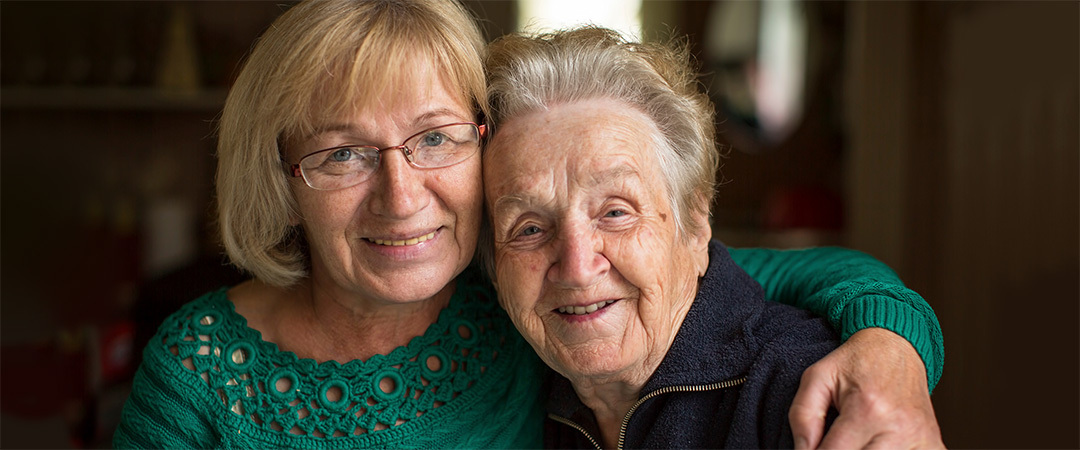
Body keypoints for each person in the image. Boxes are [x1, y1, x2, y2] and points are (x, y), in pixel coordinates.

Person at [113, 1, 941, 448]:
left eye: (433, 138)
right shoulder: (199, 373)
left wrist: (892, 347)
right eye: (342, 154)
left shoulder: (517, 297)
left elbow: (783, 275)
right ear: (281, 176)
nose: (400, 196)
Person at [481, 26, 945, 448]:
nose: (578, 268)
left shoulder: (804, 394)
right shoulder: (510, 392)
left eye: (616, 212)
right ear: (495, 270)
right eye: (529, 229)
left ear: (696, 225)